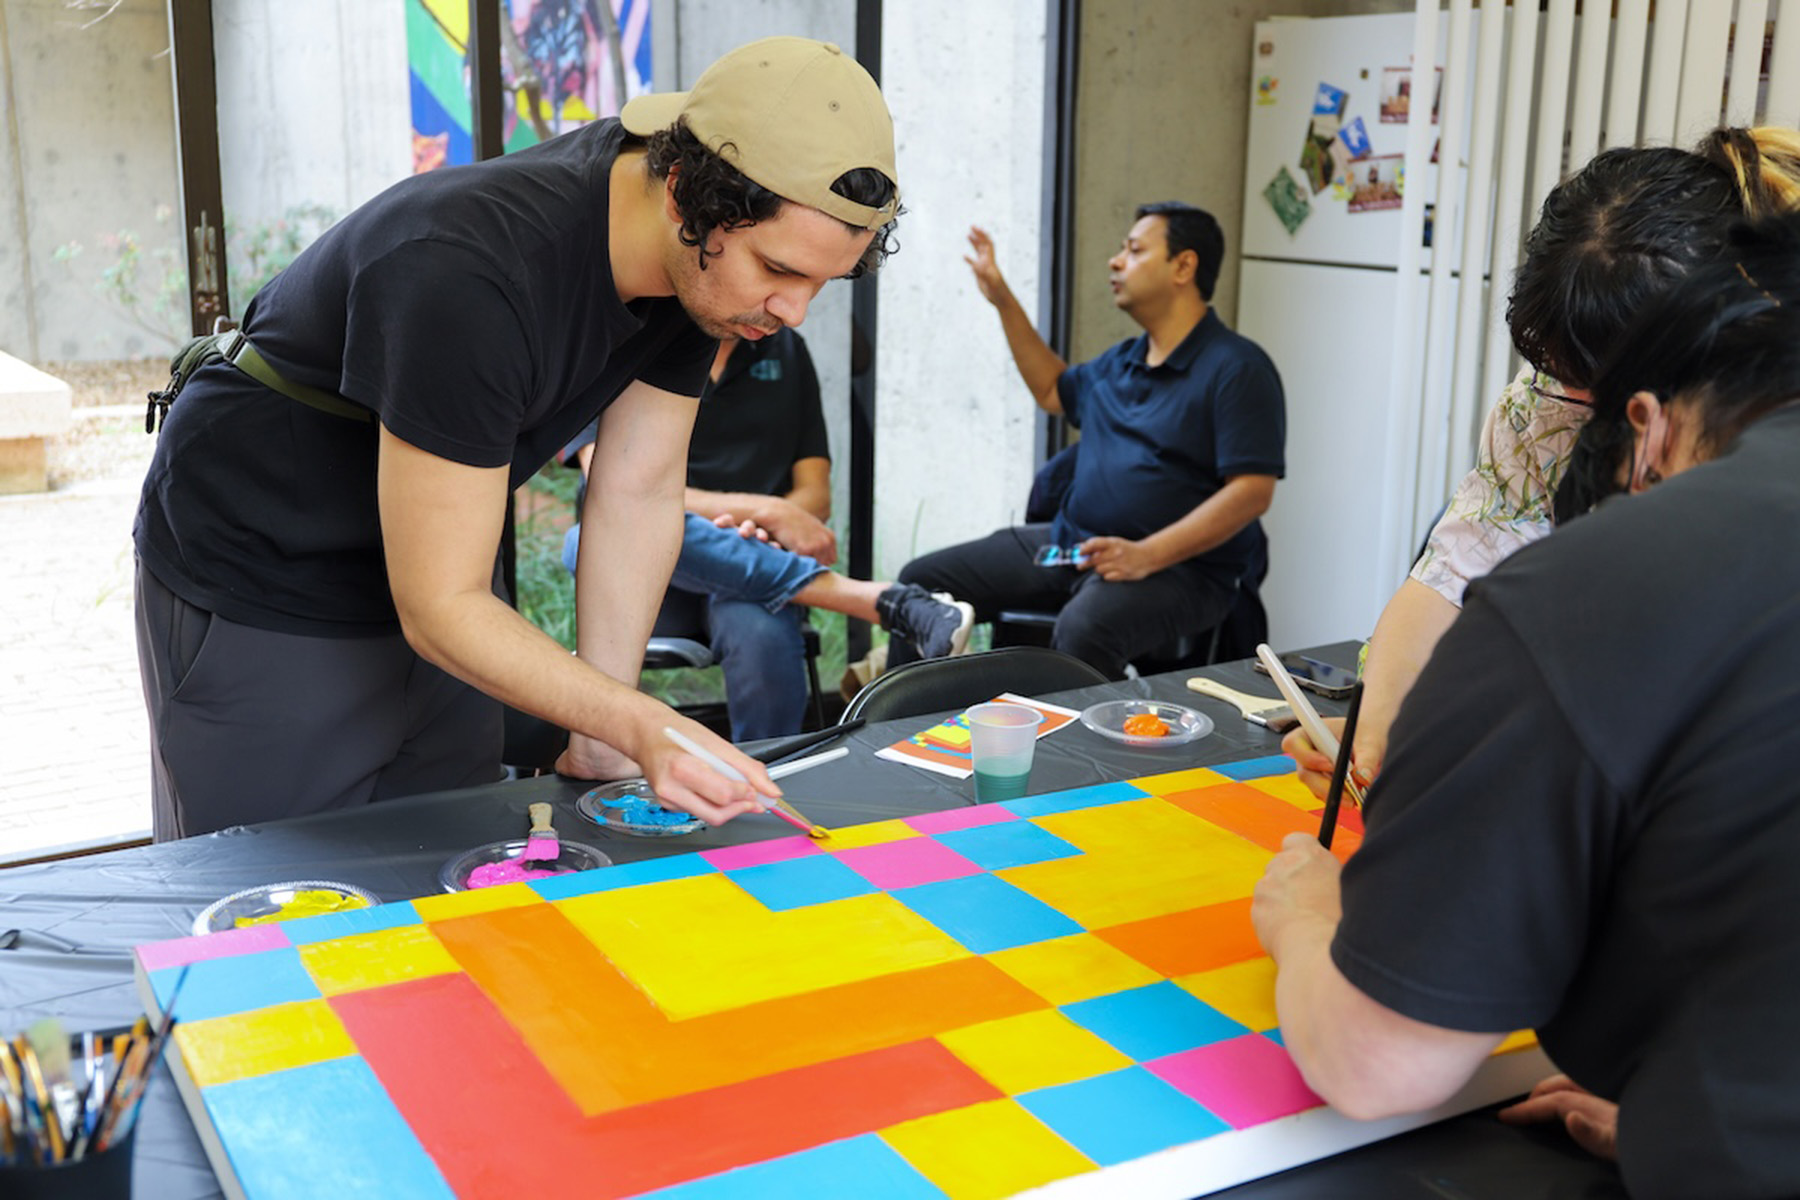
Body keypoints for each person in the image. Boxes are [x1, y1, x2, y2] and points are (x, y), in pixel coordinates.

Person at [132, 37, 900, 839]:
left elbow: (637, 489)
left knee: (454, 864)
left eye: (819, 281)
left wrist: (606, 732)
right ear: (684, 195)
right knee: (275, 901)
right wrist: (644, 724)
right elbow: (439, 607)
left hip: (444, 569)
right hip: (266, 567)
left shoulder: (698, 273)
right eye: (778, 269)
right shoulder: (465, 270)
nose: (792, 310)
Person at [1253, 213, 1800, 1199]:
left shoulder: (1601, 584)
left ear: (1648, 427)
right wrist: (1696, 1104)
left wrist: (1306, 916)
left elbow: (1376, 1064)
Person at [1289, 128, 1800, 798]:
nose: (1575, 406)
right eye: (1562, 374)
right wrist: (1378, 727)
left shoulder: (1766, 459)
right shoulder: (1546, 407)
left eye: (1603, 387)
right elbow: (1450, 575)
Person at [891, 203, 1286, 679]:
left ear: (1184, 266)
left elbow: (1252, 492)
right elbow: (1052, 390)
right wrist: (1000, 297)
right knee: (922, 583)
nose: (1115, 261)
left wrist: (1146, 555)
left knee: (1086, 628)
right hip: (1073, 546)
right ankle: (902, 733)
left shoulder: (1237, 368)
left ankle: (1076, 751)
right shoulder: (1122, 362)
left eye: (1135, 250)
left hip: (1182, 571)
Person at [560, 327, 972, 740]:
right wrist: (764, 510)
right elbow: (612, 485)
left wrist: (749, 535)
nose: (791, 304)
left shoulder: (787, 348)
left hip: (757, 573)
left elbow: (815, 493)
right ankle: (883, 602)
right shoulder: (624, 336)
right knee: (586, 541)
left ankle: (766, 786)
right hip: (655, 582)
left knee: (759, 632)